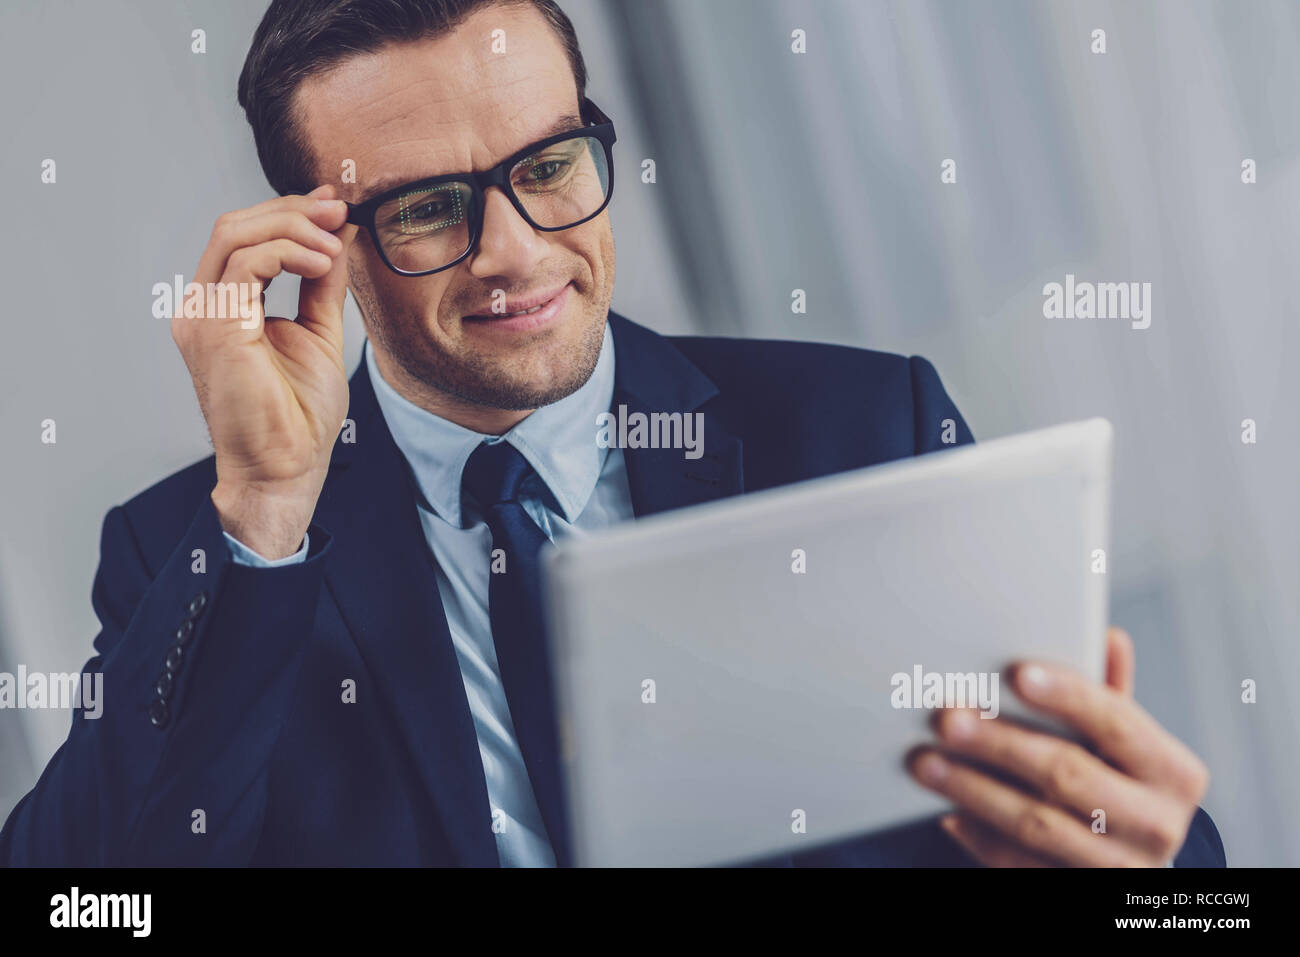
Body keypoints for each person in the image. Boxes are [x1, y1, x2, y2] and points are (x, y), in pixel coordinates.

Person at [0, 0, 1223, 867]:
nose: (518, 251)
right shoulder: (197, 550)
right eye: (429, 209)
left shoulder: (865, 428)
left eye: (550, 164)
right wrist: (267, 506)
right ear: (324, 251)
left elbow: (1119, 838)